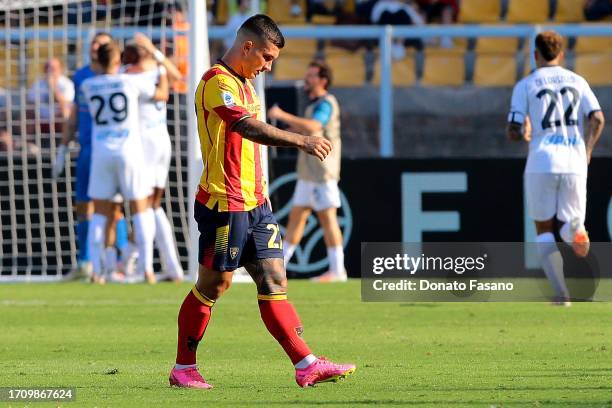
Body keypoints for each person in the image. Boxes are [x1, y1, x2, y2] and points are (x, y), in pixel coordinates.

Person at [169, 14, 355, 389]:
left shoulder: (248, 87)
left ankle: (306, 364)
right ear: (248, 47)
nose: (268, 66)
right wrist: (300, 140)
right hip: (225, 203)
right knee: (214, 285)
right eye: (267, 57)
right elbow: (245, 127)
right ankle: (183, 368)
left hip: (257, 203)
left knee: (273, 279)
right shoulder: (215, 82)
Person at [506, 31, 605, 305]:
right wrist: (587, 150)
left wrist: (522, 131)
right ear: (561, 54)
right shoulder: (578, 81)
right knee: (569, 222)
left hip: (542, 159)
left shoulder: (526, 84)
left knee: (544, 228)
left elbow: (514, 129)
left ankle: (562, 294)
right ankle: (575, 229)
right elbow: (597, 119)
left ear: (536, 55)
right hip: (574, 160)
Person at [81, 41, 166, 284]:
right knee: (140, 210)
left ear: (98, 61)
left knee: (99, 213)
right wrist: (159, 68)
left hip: (101, 153)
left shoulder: (88, 86)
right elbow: (160, 94)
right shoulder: (131, 81)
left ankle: (97, 271)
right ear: (118, 60)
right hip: (129, 152)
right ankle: (147, 269)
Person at [267, 60, 346, 283]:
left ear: (323, 80)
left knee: (327, 218)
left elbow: (312, 127)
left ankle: (338, 270)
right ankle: (280, 267)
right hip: (307, 172)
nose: (307, 78)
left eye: (311, 75)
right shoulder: (313, 105)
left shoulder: (327, 103)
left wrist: (281, 115)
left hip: (322, 172)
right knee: (297, 217)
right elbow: (300, 130)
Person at [54, 32, 124, 279]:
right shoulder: (81, 76)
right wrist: (63, 148)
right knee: (83, 205)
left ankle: (119, 261)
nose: (96, 46)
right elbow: (74, 115)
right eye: (94, 42)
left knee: (115, 207)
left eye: (102, 43)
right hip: (87, 150)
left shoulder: (122, 77)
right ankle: (85, 261)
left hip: (112, 148)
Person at [122, 34, 185, 282]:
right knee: (155, 205)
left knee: (143, 205)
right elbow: (177, 77)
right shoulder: (159, 70)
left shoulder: (128, 76)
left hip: (144, 143)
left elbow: (173, 83)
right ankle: (173, 267)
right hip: (162, 141)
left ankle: (141, 265)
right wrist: (155, 51)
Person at [27, 57, 75, 134]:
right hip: (40, 119)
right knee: (27, 113)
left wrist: (53, 87)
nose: (49, 71)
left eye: (53, 68)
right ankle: (28, 143)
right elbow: (30, 103)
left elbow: (66, 104)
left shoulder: (67, 84)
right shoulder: (38, 84)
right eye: (47, 68)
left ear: (60, 70)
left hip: (58, 120)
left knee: (66, 110)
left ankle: (65, 141)